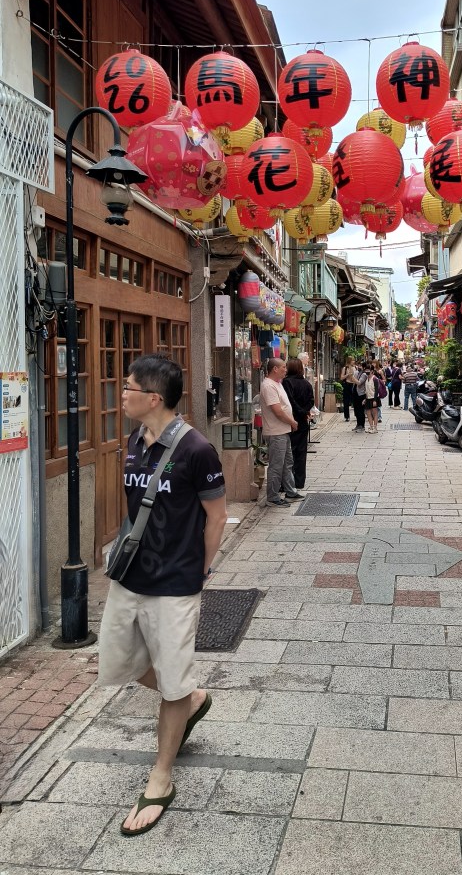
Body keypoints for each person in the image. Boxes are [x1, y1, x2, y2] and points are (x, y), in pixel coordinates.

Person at [98, 354, 227, 836]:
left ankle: (162, 776)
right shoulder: (134, 441)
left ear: (153, 398)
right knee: (121, 663)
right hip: (130, 578)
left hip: (175, 583)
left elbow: (216, 515)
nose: (122, 394)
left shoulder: (196, 449)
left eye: (129, 388)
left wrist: (200, 569)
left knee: (170, 680)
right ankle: (192, 698)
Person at [259, 358, 303, 507]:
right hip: (276, 431)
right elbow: (277, 411)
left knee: (287, 463)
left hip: (283, 431)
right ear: (275, 369)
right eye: (283, 367)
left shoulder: (277, 383)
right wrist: (292, 422)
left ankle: (290, 491)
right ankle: (272, 497)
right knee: (276, 465)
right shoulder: (268, 386)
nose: (286, 370)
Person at [283, 357, 315, 489]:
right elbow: (311, 400)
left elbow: (289, 401)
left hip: (290, 420)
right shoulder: (306, 383)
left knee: (289, 452)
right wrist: (304, 411)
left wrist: (299, 411)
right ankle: (300, 481)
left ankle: (288, 482)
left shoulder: (287, 382)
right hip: (302, 421)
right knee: (301, 452)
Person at [363, 363, 380, 433]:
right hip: (368, 398)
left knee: (374, 413)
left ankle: (375, 428)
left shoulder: (375, 379)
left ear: (372, 371)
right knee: (368, 413)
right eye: (366, 370)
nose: (367, 371)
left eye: (368, 370)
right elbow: (366, 390)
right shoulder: (366, 379)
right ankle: (371, 426)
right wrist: (365, 398)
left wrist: (375, 400)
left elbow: (377, 390)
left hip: (374, 398)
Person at [340, 354, 358, 423]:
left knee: (355, 401)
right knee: (346, 401)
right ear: (349, 361)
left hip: (354, 385)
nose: (353, 361)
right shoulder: (345, 368)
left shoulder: (356, 368)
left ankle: (357, 414)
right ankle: (347, 416)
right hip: (347, 385)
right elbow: (341, 378)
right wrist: (347, 375)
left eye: (354, 360)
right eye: (352, 360)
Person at [353, 361, 368, 433]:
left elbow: (359, 383)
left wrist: (352, 378)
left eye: (360, 366)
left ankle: (362, 425)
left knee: (360, 410)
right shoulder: (358, 373)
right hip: (355, 393)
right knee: (356, 410)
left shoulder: (364, 374)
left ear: (364, 367)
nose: (359, 367)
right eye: (358, 365)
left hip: (361, 394)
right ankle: (358, 424)